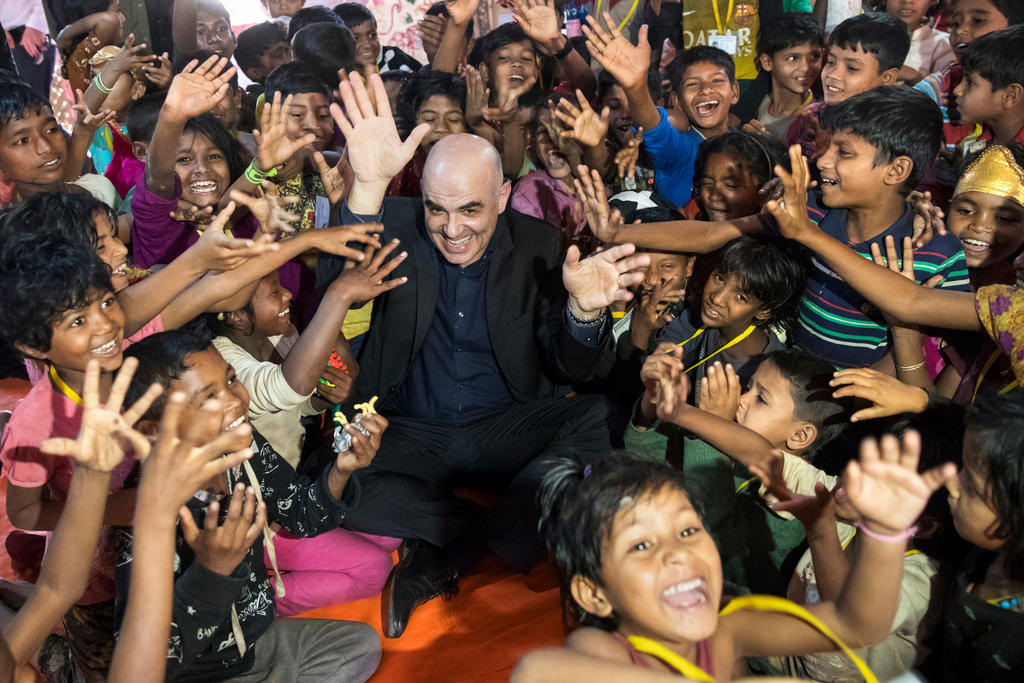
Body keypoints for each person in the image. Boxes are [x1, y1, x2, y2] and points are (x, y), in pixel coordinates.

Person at [314, 71, 651, 639]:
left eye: (470, 210)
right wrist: (366, 192)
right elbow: (339, 281)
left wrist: (585, 314)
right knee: (325, 482)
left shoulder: (541, 244)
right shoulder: (392, 227)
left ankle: (450, 550)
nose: (451, 230)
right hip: (407, 426)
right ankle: (499, 526)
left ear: (500, 196)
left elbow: (573, 368)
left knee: (592, 422)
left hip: (506, 424)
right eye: (436, 210)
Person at [512, 430, 955, 681]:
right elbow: (536, 670)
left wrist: (885, 532)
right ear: (594, 596)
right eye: (640, 545)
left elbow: (859, 625)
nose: (677, 554)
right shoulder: (600, 650)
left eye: (687, 530)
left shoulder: (728, 630)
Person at [580, 86, 971, 370]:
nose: (823, 162)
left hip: (862, 406)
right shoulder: (812, 210)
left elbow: (944, 353)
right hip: (788, 379)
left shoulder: (936, 251)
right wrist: (618, 234)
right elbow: (712, 235)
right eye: (827, 147)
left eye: (844, 153)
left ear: (897, 170)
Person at [119, 329, 382, 681]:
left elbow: (302, 513)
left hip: (253, 645)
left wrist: (342, 469)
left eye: (231, 379)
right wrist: (211, 572)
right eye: (208, 398)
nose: (235, 400)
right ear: (154, 430)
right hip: (200, 673)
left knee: (361, 644)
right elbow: (155, 662)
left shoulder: (242, 448)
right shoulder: (148, 518)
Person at [632, 350, 852, 595]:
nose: (741, 399)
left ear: (799, 436)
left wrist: (710, 427)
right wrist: (651, 403)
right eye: (748, 387)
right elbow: (645, 464)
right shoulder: (735, 447)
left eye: (761, 399)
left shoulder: (797, 508)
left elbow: (709, 534)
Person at [584, 13, 739, 207]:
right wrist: (635, 86)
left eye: (717, 80)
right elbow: (653, 126)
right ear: (677, 100)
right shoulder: (677, 148)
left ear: (734, 92)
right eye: (692, 84)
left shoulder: (747, 143)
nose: (706, 89)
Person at [785, 12, 909, 163]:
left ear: (887, 78)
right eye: (831, 62)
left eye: (852, 68)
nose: (833, 74)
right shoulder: (809, 118)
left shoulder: (893, 134)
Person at [747, 13, 824, 143]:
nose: (806, 67)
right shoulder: (761, 103)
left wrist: (770, 147)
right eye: (793, 58)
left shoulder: (816, 122)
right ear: (767, 62)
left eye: (814, 56)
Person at [333, 3, 422, 74]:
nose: (367, 44)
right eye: (355, 38)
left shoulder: (393, 57)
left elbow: (426, 82)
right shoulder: (338, 76)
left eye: (372, 35)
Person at [889, 0, 957, 85]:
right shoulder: (868, 34)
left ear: (932, 1)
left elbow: (943, 94)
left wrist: (914, 77)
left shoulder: (943, 44)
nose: (907, 1)